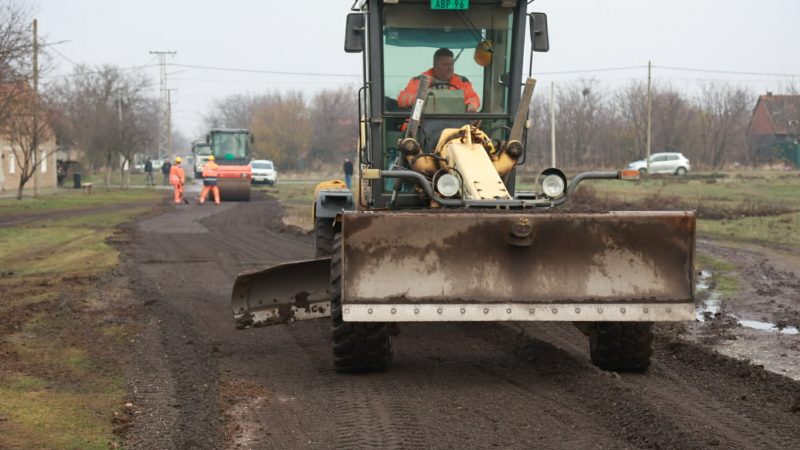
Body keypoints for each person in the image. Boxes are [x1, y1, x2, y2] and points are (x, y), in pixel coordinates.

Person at [397, 48, 480, 113]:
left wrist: (471, 106)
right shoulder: (419, 81)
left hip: (454, 127)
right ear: (435, 65)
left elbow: (473, 97)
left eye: (451, 64)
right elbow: (402, 99)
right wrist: (418, 99)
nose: (450, 68)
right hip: (422, 126)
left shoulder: (462, 82)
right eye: (445, 65)